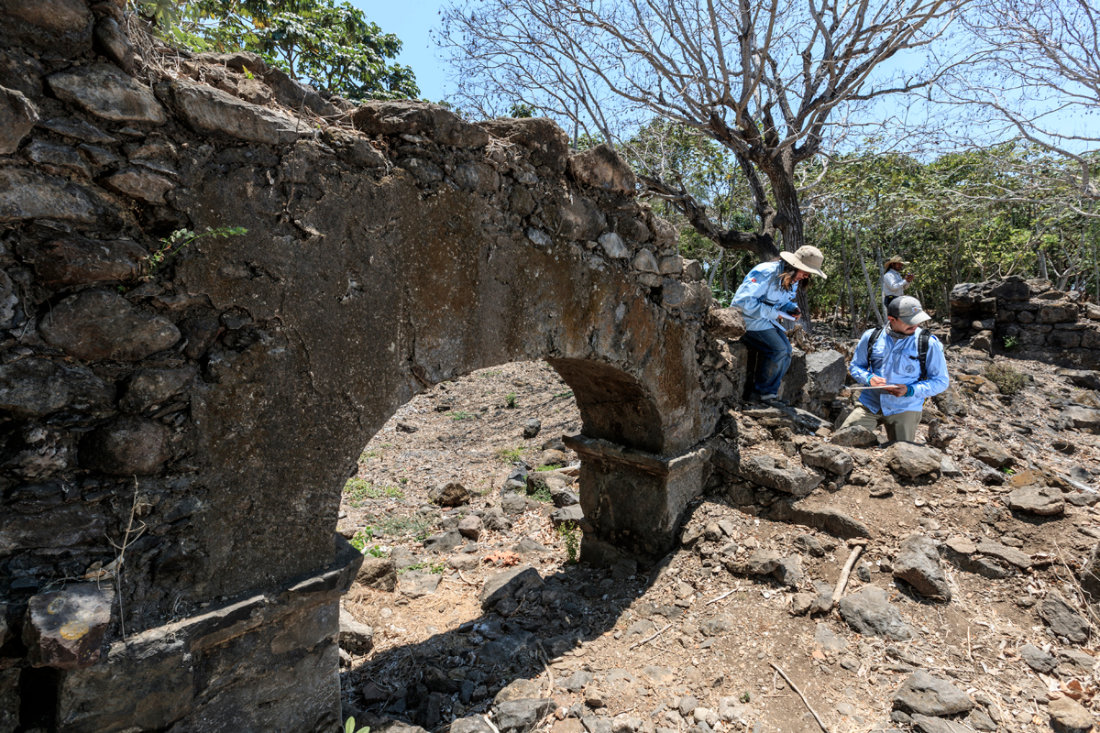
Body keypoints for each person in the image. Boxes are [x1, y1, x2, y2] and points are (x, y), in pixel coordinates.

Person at [840, 295, 949, 443]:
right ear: (892, 319)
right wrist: (868, 378)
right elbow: (855, 366)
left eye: (917, 320)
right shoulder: (871, 336)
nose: (915, 325)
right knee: (843, 440)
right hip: (871, 404)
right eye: (910, 321)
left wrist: (910, 390)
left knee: (901, 454)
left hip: (905, 407)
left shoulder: (928, 343)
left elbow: (941, 381)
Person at [731, 245, 827, 404]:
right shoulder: (766, 272)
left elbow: (780, 302)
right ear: (794, 266)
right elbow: (742, 302)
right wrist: (774, 314)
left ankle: (769, 394)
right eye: (805, 272)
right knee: (779, 349)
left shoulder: (793, 280)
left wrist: (790, 308)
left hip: (764, 320)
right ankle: (760, 395)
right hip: (746, 319)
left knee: (787, 351)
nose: (806, 276)